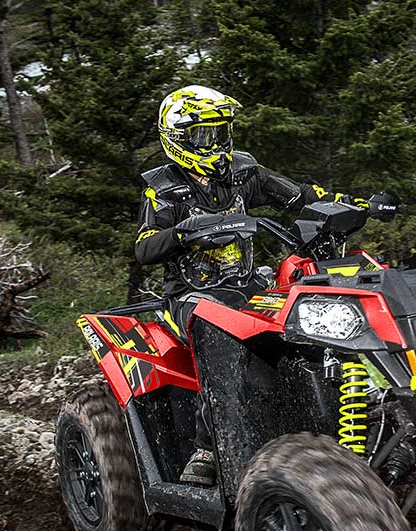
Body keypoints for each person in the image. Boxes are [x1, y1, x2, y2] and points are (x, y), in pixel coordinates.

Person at [134, 85, 367, 484]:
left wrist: (350, 203)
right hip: (191, 295)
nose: (216, 143)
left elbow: (300, 196)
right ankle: (207, 449)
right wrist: (184, 233)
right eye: (204, 135)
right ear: (176, 138)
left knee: (312, 309)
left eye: (221, 132)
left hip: (246, 285)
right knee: (222, 332)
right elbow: (143, 248)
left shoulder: (242, 173)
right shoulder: (163, 189)